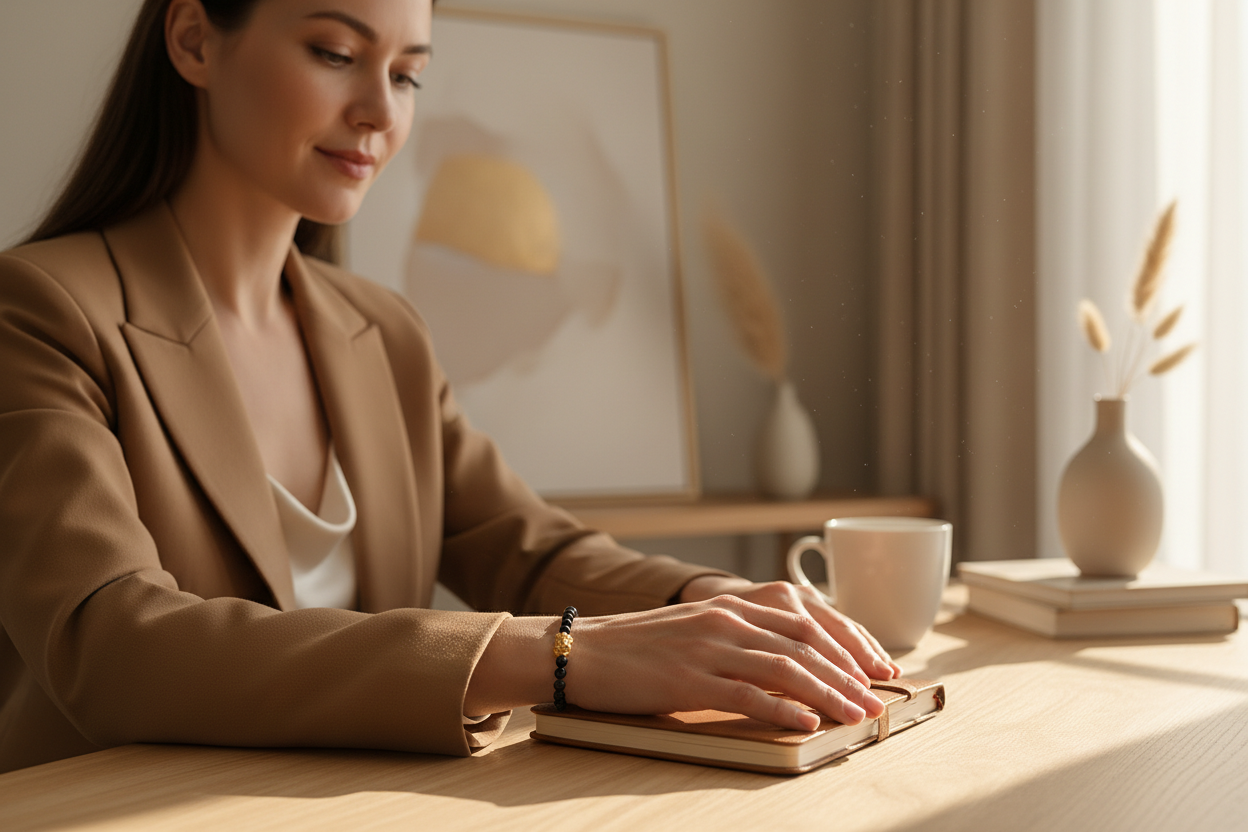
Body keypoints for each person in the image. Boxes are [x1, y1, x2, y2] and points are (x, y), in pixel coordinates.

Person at [0, 0, 900, 775]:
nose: (377, 113)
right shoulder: (41, 308)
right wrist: (555, 657)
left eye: (407, 75)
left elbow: (526, 547)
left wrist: (708, 604)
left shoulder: (382, 331)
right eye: (336, 54)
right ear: (195, 40)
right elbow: (113, 643)